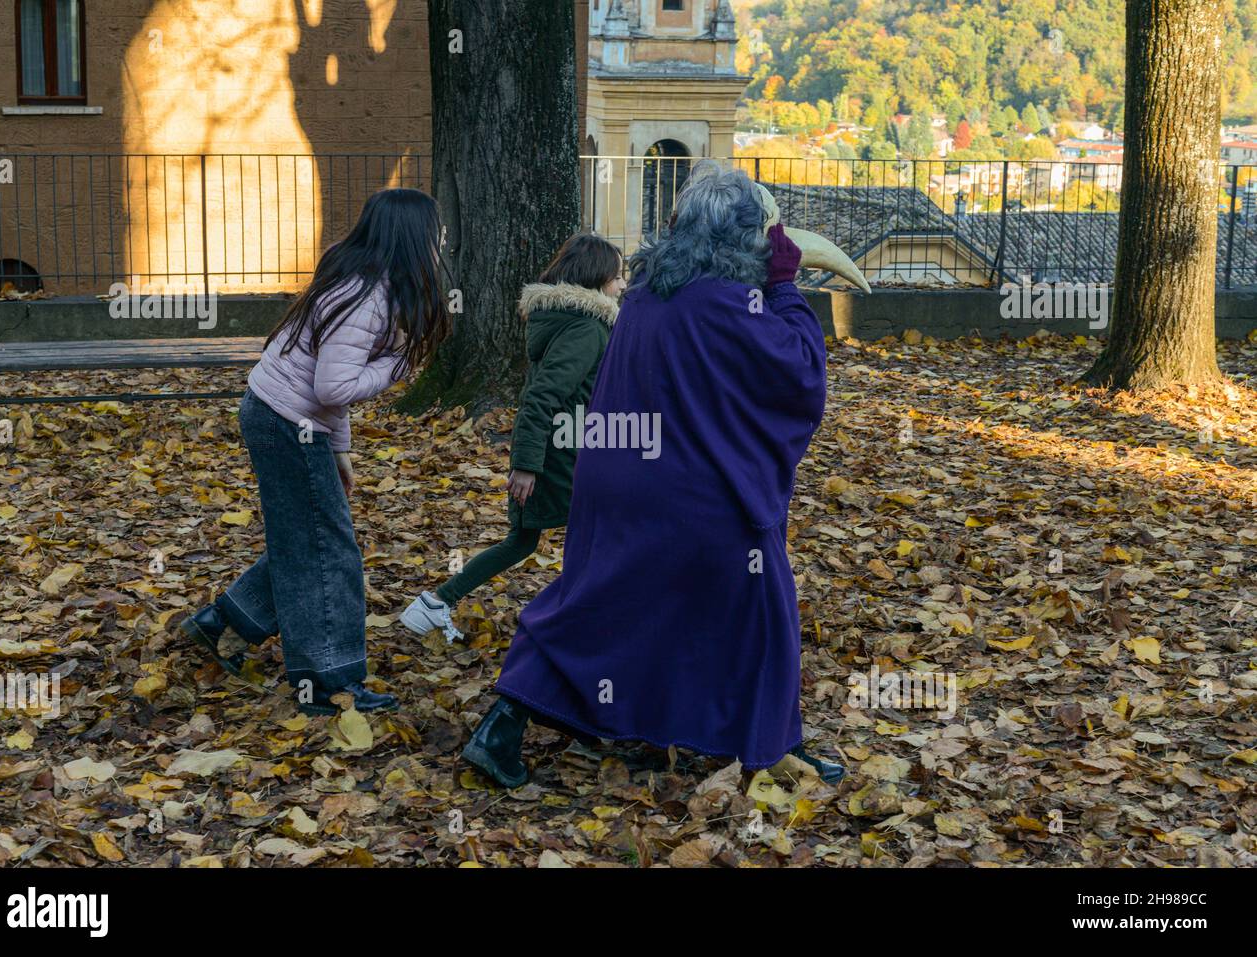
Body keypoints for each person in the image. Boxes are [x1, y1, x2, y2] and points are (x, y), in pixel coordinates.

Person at [461, 161, 846, 786]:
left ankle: (506, 724)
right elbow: (800, 373)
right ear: (743, 238)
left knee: (600, 605)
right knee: (761, 613)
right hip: (699, 495)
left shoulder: (643, 296)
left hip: (615, 481)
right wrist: (782, 285)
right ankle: (771, 749)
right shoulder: (733, 302)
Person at [180, 188, 450, 715]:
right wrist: (396, 370)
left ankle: (223, 624)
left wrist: (341, 449)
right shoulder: (369, 296)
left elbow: (325, 385)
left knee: (304, 539)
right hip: (287, 422)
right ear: (412, 237)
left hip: (282, 416)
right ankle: (329, 680)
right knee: (327, 551)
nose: (442, 242)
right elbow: (333, 385)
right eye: (435, 231)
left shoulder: (360, 281)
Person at [400, 233, 624, 642]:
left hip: (558, 449)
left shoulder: (566, 321)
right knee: (600, 535)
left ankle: (436, 603)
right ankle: (580, 626)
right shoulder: (587, 329)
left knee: (525, 541)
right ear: (598, 278)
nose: (621, 285)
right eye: (617, 276)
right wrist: (525, 465)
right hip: (561, 454)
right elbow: (541, 396)